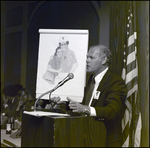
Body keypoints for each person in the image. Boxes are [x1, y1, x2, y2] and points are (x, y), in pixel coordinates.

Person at [50, 44, 127, 147]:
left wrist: (86, 109)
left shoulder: (116, 82)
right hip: (87, 138)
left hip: (106, 141)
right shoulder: (91, 79)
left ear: (104, 60)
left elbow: (112, 111)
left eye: (91, 57)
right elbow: (85, 105)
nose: (87, 60)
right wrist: (63, 105)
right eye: (87, 57)